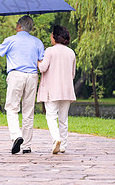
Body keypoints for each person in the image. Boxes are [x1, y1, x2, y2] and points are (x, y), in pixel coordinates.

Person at [0, 15, 44, 154]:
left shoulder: (10, 40)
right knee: (28, 111)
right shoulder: (38, 42)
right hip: (32, 76)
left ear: (19, 26)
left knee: (12, 108)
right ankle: (27, 146)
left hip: (16, 75)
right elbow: (41, 61)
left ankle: (16, 136)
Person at [37, 25, 76, 154]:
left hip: (52, 89)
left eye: (51, 35)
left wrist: (37, 61)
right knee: (63, 118)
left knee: (51, 115)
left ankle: (56, 139)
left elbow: (43, 68)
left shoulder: (50, 51)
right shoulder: (71, 52)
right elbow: (73, 73)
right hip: (67, 89)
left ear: (55, 36)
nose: (50, 37)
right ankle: (63, 145)